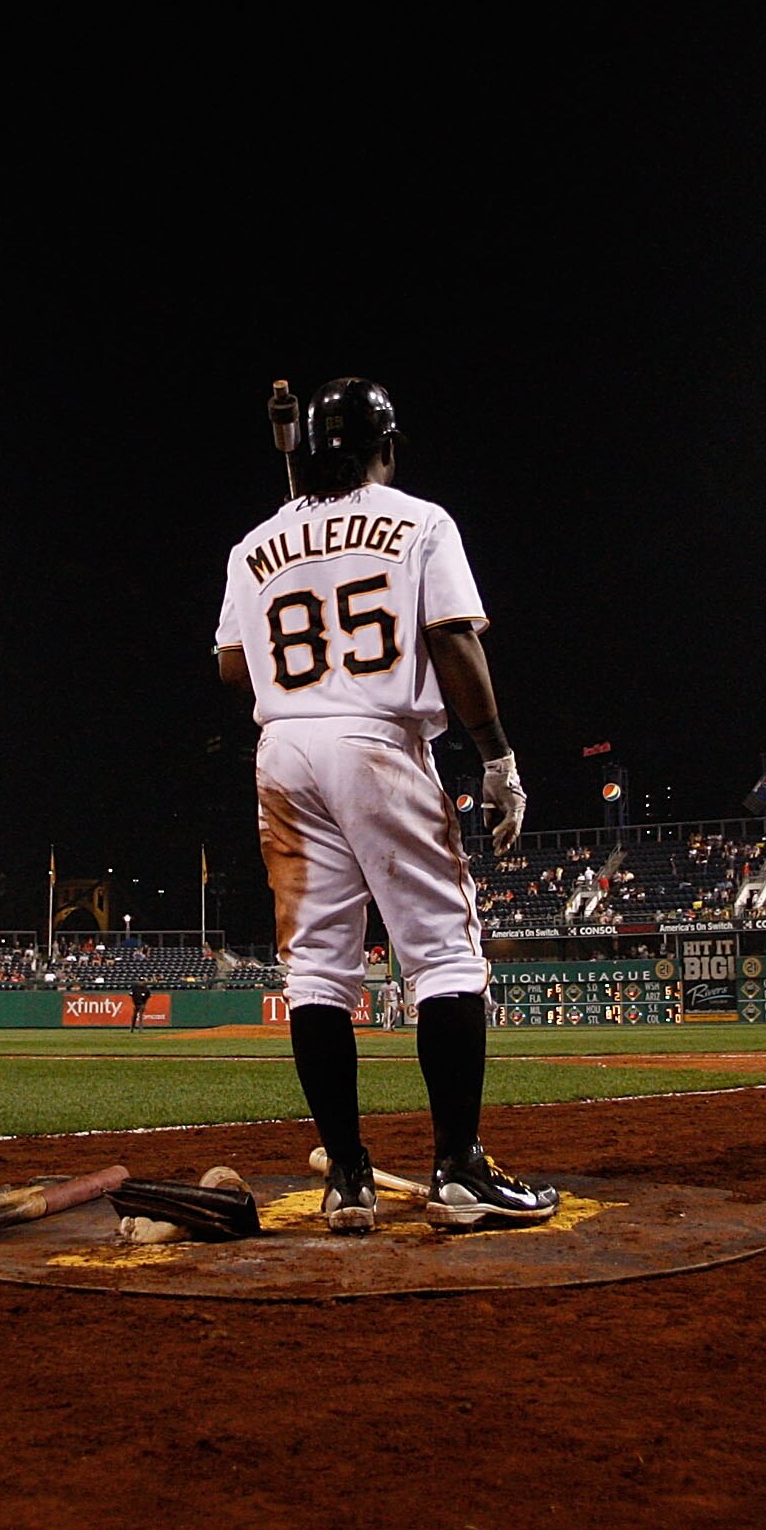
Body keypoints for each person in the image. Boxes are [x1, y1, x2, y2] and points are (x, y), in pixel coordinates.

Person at [215, 377, 555, 1234]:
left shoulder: (257, 540)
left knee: (317, 971)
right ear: (388, 447)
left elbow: (231, 666)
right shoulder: (421, 521)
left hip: (284, 750)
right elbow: (450, 636)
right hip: (378, 738)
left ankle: (350, 1181)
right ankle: (459, 1171)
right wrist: (497, 756)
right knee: (443, 956)